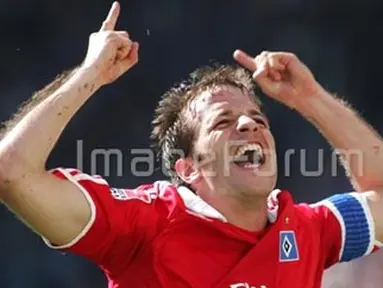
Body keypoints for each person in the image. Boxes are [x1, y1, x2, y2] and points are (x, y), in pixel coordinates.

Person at [0, 2, 382, 287]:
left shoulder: (309, 230)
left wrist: (310, 98)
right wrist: (89, 74)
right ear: (188, 168)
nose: (251, 123)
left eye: (259, 119)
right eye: (223, 122)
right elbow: (12, 173)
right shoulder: (142, 225)